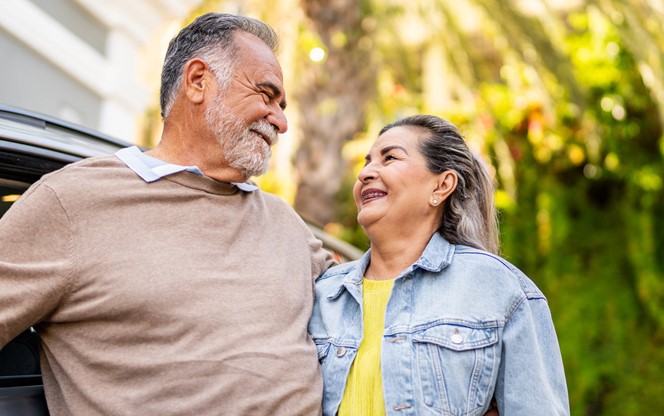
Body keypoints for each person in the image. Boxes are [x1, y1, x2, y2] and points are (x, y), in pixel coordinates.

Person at [0, 13, 334, 415]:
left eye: (282, 106)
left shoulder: (287, 224)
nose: (281, 121)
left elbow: (382, 298)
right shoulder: (71, 202)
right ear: (198, 81)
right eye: (266, 95)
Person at [308, 114, 570, 415]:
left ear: (442, 185)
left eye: (389, 158)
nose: (366, 173)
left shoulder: (498, 288)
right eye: (367, 162)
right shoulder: (322, 294)